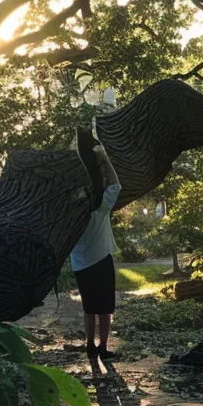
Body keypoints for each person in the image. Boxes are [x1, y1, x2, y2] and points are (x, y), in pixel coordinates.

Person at [73, 124, 123, 357]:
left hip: (80, 264)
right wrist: (103, 158)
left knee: (89, 307)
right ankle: (102, 346)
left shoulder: (71, 217)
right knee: (104, 308)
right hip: (101, 260)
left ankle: (90, 345)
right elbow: (115, 185)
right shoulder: (100, 211)